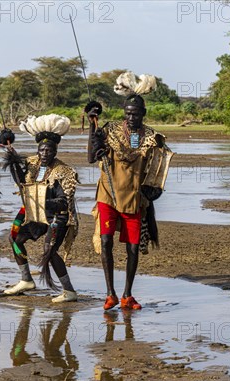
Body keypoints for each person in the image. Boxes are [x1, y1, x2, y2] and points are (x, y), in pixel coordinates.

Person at [87, 72, 172, 311]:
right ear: (123, 112)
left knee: (133, 247)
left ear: (143, 114)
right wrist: (92, 132)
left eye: (135, 113)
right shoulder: (109, 131)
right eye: (127, 113)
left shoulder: (153, 138)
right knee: (105, 241)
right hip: (108, 194)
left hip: (135, 199)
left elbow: (158, 171)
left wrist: (150, 195)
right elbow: (90, 157)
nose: (131, 117)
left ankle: (127, 294)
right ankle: (110, 293)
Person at [2, 114, 79, 303]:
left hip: (58, 216)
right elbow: (21, 182)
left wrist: (43, 200)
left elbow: (64, 201)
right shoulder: (32, 163)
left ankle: (69, 291)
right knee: (15, 239)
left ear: (55, 152)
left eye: (48, 151)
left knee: (50, 252)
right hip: (34, 213)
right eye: (41, 150)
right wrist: (11, 157)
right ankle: (26, 279)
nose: (44, 154)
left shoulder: (65, 172)